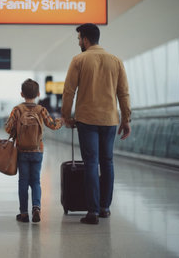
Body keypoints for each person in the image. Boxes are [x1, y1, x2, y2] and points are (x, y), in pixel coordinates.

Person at [61, 23, 131, 224]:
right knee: (107, 162)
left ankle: (91, 212)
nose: (79, 43)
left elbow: (69, 91)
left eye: (79, 39)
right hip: (110, 120)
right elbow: (123, 93)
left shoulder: (79, 60)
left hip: (87, 120)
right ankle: (104, 208)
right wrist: (126, 119)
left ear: (85, 39)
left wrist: (66, 115)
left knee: (91, 163)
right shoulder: (116, 61)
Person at [5, 79, 63, 223]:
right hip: (38, 150)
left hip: (22, 150)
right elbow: (53, 125)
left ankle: (23, 213)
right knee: (36, 181)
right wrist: (62, 120)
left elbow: (8, 128)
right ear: (38, 94)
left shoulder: (17, 109)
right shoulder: (41, 110)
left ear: (21, 93)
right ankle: (36, 207)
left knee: (23, 181)